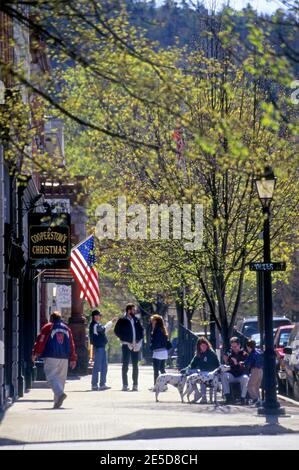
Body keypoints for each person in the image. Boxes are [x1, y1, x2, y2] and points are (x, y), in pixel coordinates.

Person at [32, 311, 77, 409]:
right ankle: (57, 402)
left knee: (51, 377)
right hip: (64, 357)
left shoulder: (48, 327)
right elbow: (71, 344)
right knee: (60, 380)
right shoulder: (67, 328)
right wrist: (73, 358)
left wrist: (35, 353)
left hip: (51, 355)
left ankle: (60, 395)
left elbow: (41, 340)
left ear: (51, 318)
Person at [181, 337, 220, 404]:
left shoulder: (212, 354)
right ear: (199, 347)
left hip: (210, 374)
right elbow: (192, 365)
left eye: (205, 345)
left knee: (202, 378)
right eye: (201, 346)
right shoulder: (198, 354)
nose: (203, 347)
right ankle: (197, 393)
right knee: (190, 376)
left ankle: (204, 397)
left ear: (207, 345)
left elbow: (217, 365)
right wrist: (185, 370)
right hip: (202, 373)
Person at [114, 303, 144, 391]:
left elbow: (141, 331)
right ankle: (125, 385)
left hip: (136, 345)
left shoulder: (136, 320)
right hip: (126, 345)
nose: (134, 311)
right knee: (125, 365)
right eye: (133, 310)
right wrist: (124, 339)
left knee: (135, 365)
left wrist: (139, 341)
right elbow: (116, 331)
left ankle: (135, 385)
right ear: (129, 310)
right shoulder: (122, 320)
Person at [89, 310, 116, 391]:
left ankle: (102, 384)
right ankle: (94, 384)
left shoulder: (97, 325)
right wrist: (111, 322)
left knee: (104, 366)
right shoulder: (94, 325)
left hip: (102, 347)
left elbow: (103, 329)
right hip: (98, 347)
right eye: (98, 315)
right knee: (97, 366)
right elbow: (103, 329)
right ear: (94, 316)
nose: (99, 317)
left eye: (99, 315)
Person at [222, 337, 249, 405]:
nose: (233, 348)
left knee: (246, 378)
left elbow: (245, 367)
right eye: (232, 346)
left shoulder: (244, 354)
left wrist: (237, 363)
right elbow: (226, 364)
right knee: (224, 376)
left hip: (241, 375)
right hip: (232, 374)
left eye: (235, 346)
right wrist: (225, 360)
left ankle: (243, 398)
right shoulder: (230, 353)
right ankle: (228, 397)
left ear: (239, 345)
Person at [150, 314, 170, 388]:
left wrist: (151, 347)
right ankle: (165, 385)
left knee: (156, 370)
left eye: (152, 321)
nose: (152, 322)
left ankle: (156, 386)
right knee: (162, 369)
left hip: (157, 352)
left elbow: (155, 341)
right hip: (164, 352)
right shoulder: (163, 329)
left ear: (156, 321)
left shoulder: (156, 330)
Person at [245, 339, 264, 404]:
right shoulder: (259, 351)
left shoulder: (252, 354)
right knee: (256, 387)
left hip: (255, 370)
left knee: (249, 386)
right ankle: (259, 400)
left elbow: (248, 363)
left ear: (248, 346)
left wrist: (242, 363)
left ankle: (256, 399)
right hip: (261, 370)